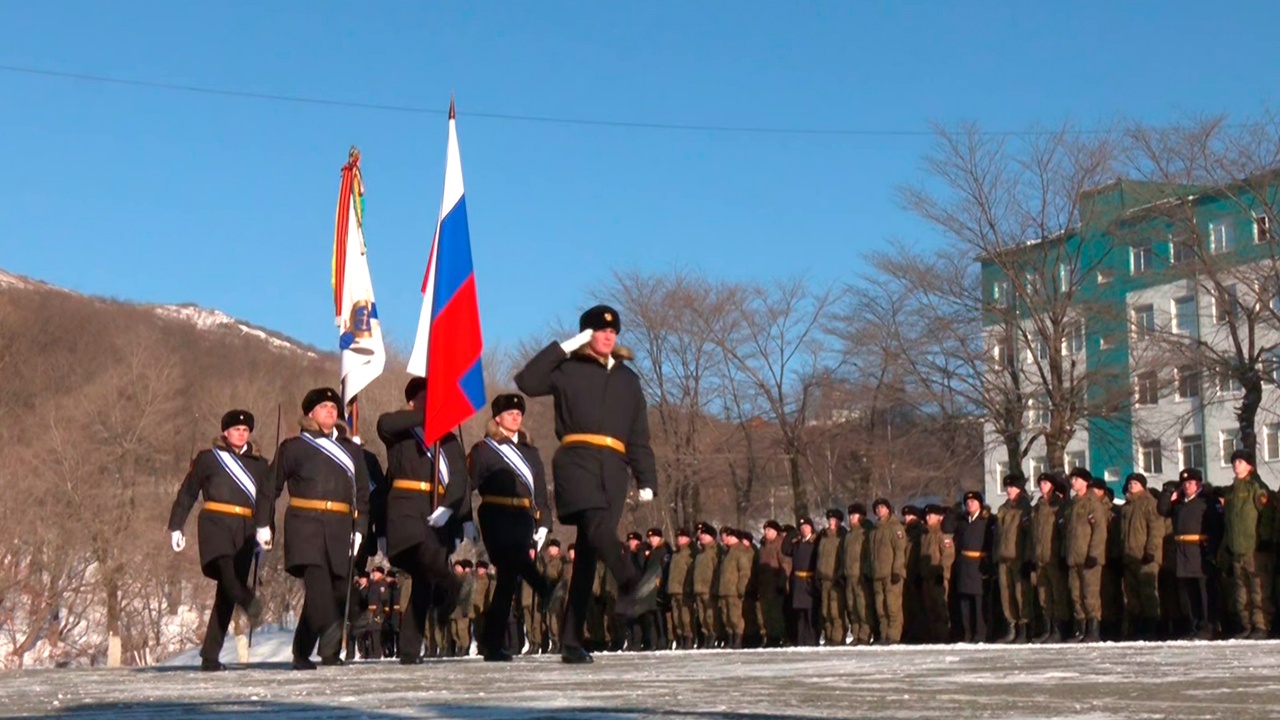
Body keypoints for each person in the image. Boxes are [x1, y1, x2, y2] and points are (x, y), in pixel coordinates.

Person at [514, 304, 660, 664]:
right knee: (595, 526)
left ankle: (571, 638)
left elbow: (638, 434)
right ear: (586, 335)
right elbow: (527, 381)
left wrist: (646, 477)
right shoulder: (567, 369)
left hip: (614, 466)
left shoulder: (629, 380)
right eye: (599, 330)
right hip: (576, 459)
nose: (608, 335)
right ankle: (630, 581)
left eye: (613, 331)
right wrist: (565, 347)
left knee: (589, 556)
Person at [255, 388, 371, 670]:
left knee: (335, 590)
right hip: (305, 524)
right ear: (310, 414)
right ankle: (332, 645)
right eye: (323, 407)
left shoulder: (352, 450)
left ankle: (307, 651)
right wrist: (263, 524)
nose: (331, 411)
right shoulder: (293, 447)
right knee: (319, 587)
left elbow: (363, 494)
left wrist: (360, 529)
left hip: (340, 525)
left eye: (334, 406)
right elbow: (271, 489)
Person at [375, 377, 473, 664]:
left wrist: (451, 508)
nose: (430, 405)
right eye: (425, 399)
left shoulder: (448, 438)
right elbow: (385, 424)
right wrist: (430, 413)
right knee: (415, 553)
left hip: (437, 510)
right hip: (404, 505)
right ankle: (452, 586)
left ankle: (409, 648)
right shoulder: (399, 430)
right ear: (411, 402)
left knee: (423, 582)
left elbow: (458, 478)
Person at [167, 409, 267, 671]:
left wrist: (266, 531)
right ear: (225, 432)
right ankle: (249, 602)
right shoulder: (208, 459)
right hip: (214, 521)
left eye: (245, 430)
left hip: (245, 527)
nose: (241, 433)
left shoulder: (259, 464)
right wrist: (176, 526)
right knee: (226, 572)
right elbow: (188, 492)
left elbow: (266, 503)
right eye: (236, 429)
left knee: (226, 594)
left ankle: (210, 656)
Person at [467, 393, 554, 661]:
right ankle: (546, 587)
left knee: (506, 581)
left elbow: (540, 492)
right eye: (510, 413)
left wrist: (543, 523)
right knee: (512, 562)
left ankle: (491, 643)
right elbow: (467, 486)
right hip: (495, 514)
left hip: (523, 517)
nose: (516, 416)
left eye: (519, 413)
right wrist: (465, 520)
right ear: (497, 418)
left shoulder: (530, 451)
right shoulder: (484, 449)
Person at [1221, 448, 1274, 640]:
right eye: (1234, 461)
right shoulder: (1232, 491)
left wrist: (1265, 537)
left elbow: (1266, 513)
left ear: (1249, 465)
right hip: (1236, 547)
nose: (1236, 465)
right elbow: (1229, 521)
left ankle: (1261, 624)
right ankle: (1247, 625)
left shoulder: (1256, 487)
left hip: (1254, 548)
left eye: (1240, 462)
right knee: (1241, 590)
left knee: (1259, 588)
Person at [994, 473, 1033, 643]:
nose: (1008, 490)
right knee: (1006, 594)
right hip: (1004, 558)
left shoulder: (1025, 509)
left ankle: (1024, 629)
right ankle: (1011, 626)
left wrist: (1027, 559)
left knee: (1021, 593)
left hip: (1019, 557)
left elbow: (1029, 536)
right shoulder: (1003, 509)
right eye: (1007, 487)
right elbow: (998, 536)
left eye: (1012, 487)